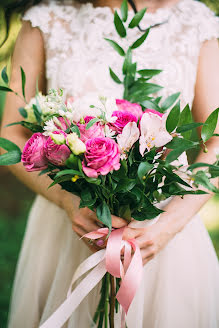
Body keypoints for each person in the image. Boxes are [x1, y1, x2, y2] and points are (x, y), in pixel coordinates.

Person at [1, 0, 219, 326]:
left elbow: (215, 140)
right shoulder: (46, 19)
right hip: (71, 224)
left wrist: (168, 227)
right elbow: (12, 136)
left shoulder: (196, 21)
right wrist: (66, 200)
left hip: (163, 228)